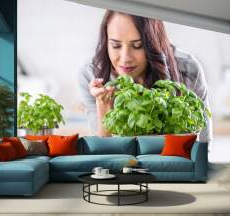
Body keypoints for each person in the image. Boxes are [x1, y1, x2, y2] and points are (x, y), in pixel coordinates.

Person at [78, 10, 212, 143]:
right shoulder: (91, 75)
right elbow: (102, 154)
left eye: (137, 45)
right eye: (116, 45)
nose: (125, 59)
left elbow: (203, 148)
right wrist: (103, 105)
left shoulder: (187, 69)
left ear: (153, 43)